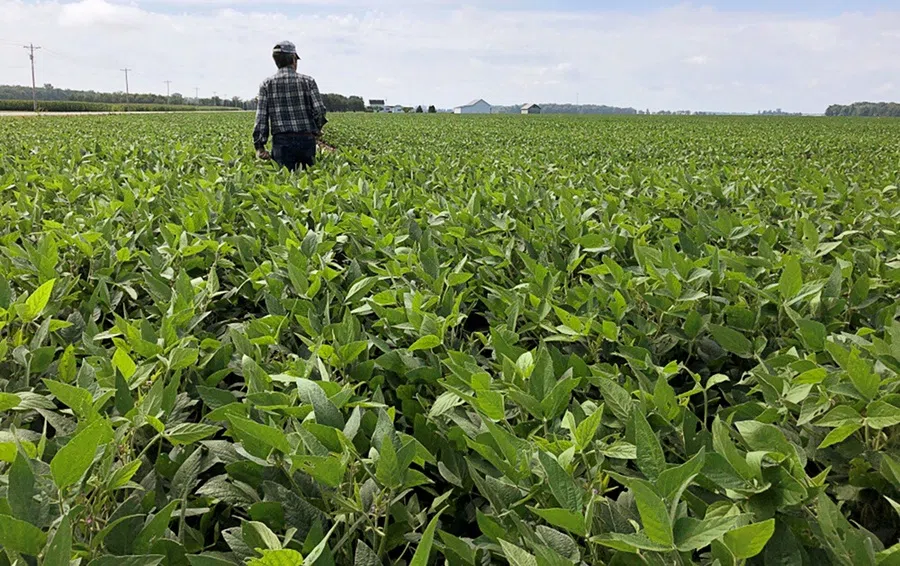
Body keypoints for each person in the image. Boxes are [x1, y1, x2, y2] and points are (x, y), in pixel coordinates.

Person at [253, 41, 327, 171]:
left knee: (285, 184)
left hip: (282, 142)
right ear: (293, 59)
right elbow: (320, 110)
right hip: (306, 139)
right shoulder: (308, 81)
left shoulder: (266, 84)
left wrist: (260, 146)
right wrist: (317, 129)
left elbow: (261, 118)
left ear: (276, 61)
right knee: (309, 182)